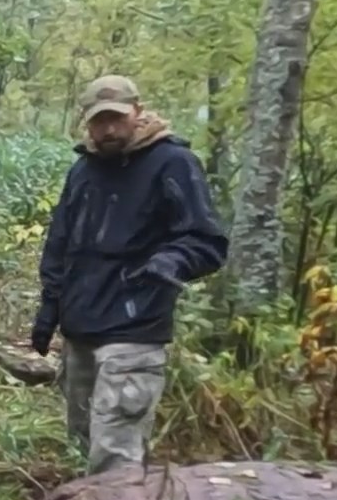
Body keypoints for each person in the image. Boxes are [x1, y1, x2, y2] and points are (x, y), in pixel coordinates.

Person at [30, 75, 229, 474]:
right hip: (81, 326)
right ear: (86, 121)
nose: (107, 129)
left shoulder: (172, 164)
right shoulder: (83, 171)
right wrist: (49, 309)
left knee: (115, 452)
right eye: (98, 121)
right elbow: (60, 244)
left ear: (137, 112)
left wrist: (170, 261)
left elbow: (208, 242)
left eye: (116, 119)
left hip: (136, 327)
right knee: (82, 439)